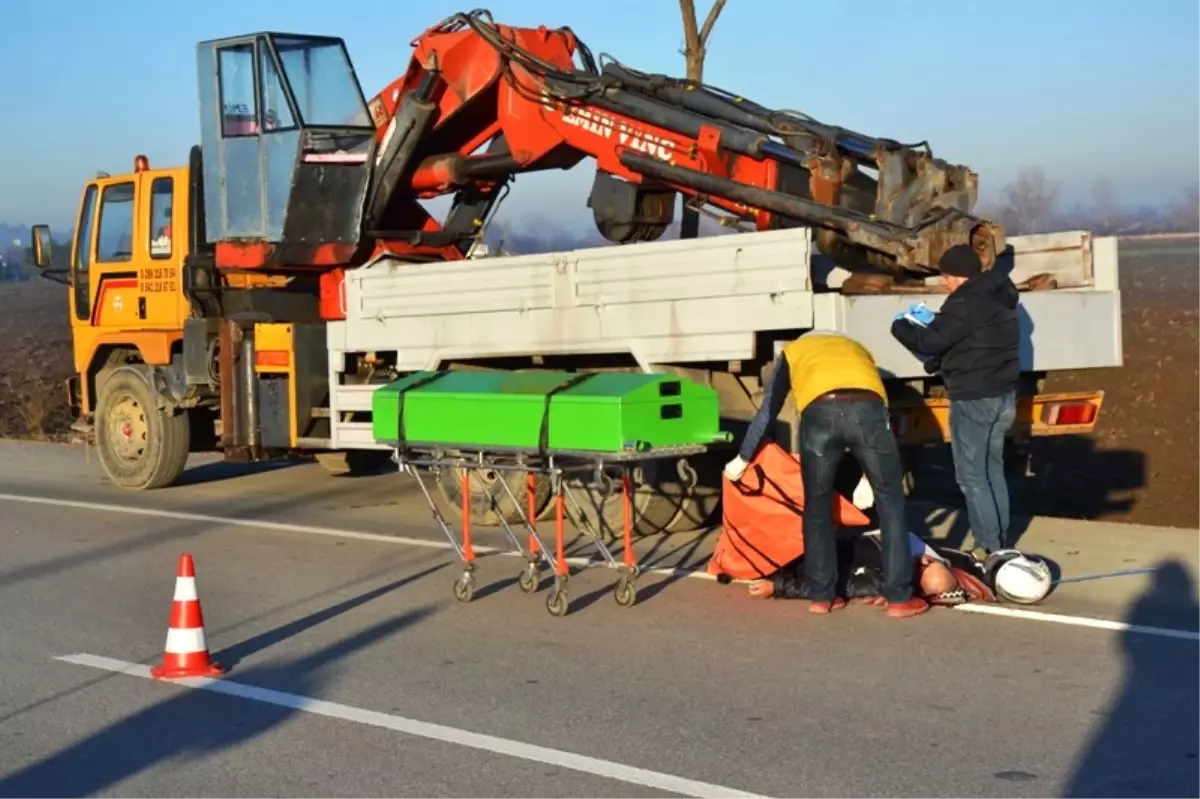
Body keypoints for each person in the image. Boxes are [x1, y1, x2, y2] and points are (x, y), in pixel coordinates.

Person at [724, 331, 929, 618]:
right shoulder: (859, 348)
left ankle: (822, 597)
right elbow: (881, 410)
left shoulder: (793, 352)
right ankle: (899, 598)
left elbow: (768, 410)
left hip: (819, 414)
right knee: (891, 504)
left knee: (817, 507)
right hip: (867, 411)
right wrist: (868, 479)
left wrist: (743, 457)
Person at [891, 244, 1021, 561]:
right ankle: (1000, 539)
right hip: (1003, 396)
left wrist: (902, 325)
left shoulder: (964, 303)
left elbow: (931, 341)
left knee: (971, 476)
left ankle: (988, 547)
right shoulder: (996, 295)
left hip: (973, 398)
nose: (944, 284)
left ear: (958, 277)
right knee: (992, 471)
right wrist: (938, 325)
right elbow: (966, 336)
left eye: (946, 277)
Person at [746, 529, 997, 607]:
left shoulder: (887, 575)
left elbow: (831, 584)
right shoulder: (907, 557)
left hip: (805, 559)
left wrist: (777, 585)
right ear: (926, 561)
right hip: (812, 549)